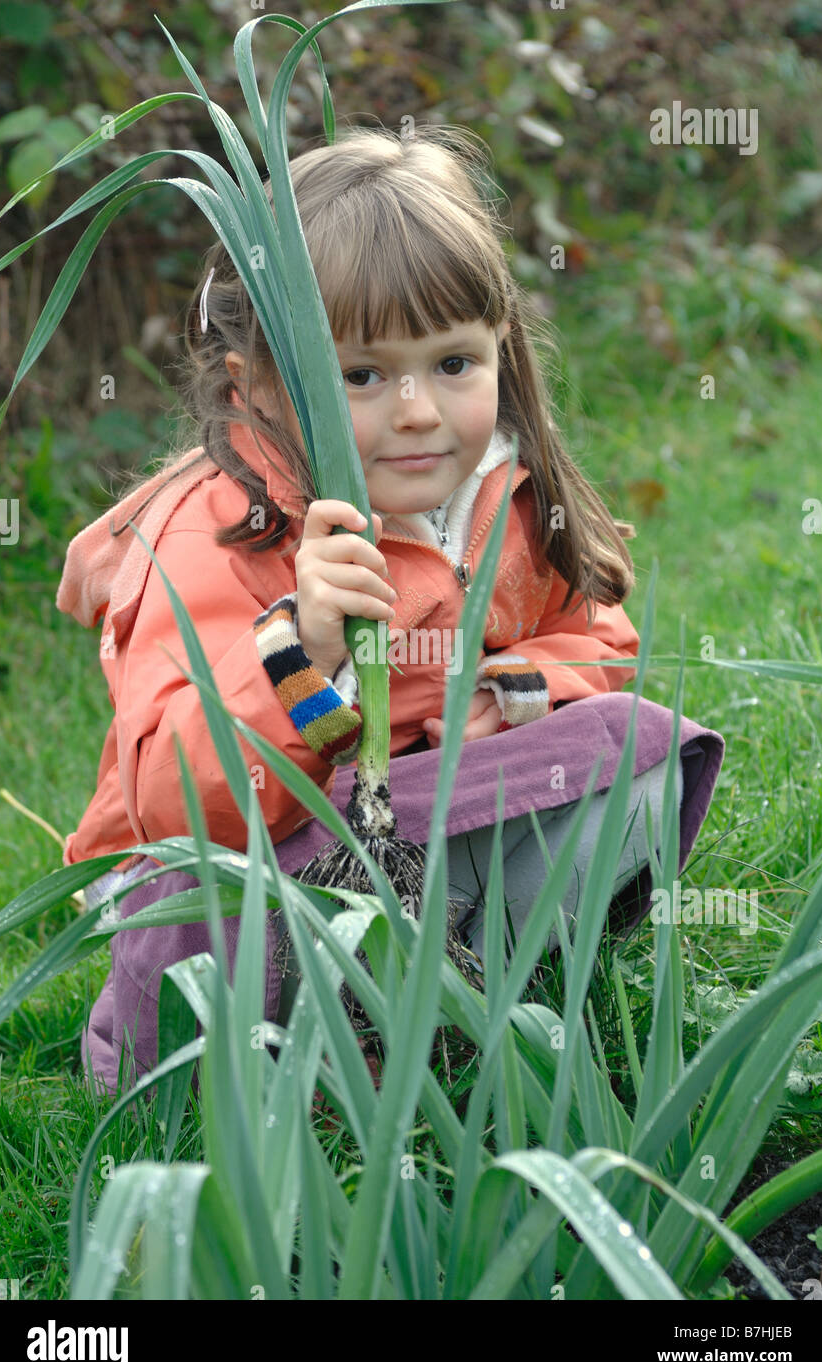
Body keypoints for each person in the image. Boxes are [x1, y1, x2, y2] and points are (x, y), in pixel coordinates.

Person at [57, 125, 724, 1097]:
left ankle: (429, 988)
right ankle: (188, 1031)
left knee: (639, 756)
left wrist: (537, 684)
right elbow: (172, 796)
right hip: (259, 854)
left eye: (452, 363)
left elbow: (598, 640)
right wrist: (299, 649)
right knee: (224, 904)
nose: (418, 410)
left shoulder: (504, 494)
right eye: (362, 376)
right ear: (255, 389)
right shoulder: (211, 533)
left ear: (502, 348)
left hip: (414, 824)